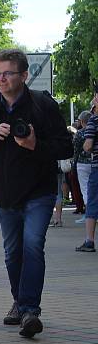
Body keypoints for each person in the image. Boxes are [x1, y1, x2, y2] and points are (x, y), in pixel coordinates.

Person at [0, 48, 72, 338]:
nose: (1, 79)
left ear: (24, 75)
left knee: (33, 246)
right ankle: (19, 301)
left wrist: (35, 144)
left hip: (39, 191)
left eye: (8, 73)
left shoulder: (42, 105)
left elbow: (66, 147)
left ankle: (30, 311)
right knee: (13, 252)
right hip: (4, 192)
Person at [77, 97, 98, 251]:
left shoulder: (93, 121)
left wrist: (85, 147)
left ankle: (89, 240)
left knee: (93, 202)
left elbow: (88, 145)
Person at [74, 110, 93, 225]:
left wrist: (74, 163)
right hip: (94, 162)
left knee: (85, 189)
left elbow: (75, 150)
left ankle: (89, 215)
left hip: (82, 163)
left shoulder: (80, 134)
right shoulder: (94, 131)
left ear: (81, 121)